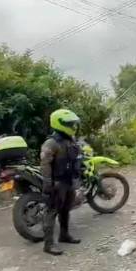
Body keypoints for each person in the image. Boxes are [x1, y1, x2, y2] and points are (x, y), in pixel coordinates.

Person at [39, 109, 82, 256]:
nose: (73, 126)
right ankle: (48, 244)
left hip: (68, 180)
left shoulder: (70, 140)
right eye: (70, 124)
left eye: (73, 124)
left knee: (65, 209)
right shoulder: (51, 143)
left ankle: (64, 235)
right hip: (57, 183)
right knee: (51, 212)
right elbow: (44, 164)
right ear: (60, 124)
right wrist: (48, 183)